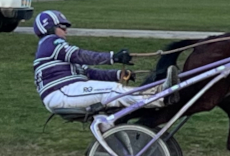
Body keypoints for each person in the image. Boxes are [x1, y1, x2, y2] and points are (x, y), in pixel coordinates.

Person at [33, 10, 179, 113]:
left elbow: (89, 72)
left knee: (114, 92)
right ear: (50, 29)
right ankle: (162, 98)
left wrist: (119, 74)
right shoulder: (50, 42)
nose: (66, 31)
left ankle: (160, 91)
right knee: (113, 90)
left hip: (66, 91)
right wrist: (113, 57)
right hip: (61, 92)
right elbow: (81, 55)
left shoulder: (56, 50)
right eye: (62, 27)